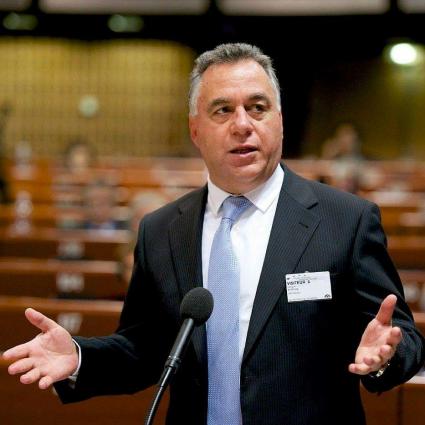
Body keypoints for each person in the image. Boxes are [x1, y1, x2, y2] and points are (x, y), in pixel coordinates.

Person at [3, 43, 425, 425]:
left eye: (257, 107)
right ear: (195, 130)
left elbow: (403, 340)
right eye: (222, 110)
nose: (242, 124)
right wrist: (80, 357)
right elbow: (144, 349)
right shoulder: (161, 230)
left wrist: (386, 356)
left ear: (279, 121)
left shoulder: (346, 221)